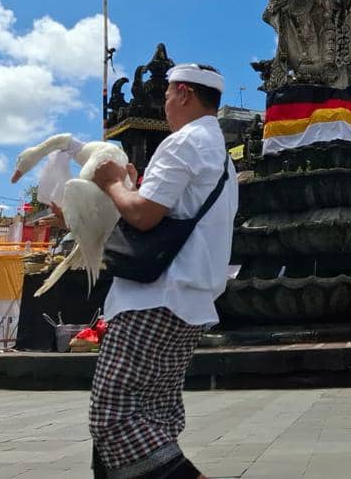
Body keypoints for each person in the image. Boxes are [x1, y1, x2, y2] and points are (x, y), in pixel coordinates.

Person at [88, 63, 238, 479]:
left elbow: (144, 215)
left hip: (154, 298)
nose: (165, 103)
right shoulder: (219, 155)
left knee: (115, 419)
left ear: (186, 93)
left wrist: (113, 182)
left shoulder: (183, 143)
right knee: (154, 415)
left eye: (169, 94)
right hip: (187, 298)